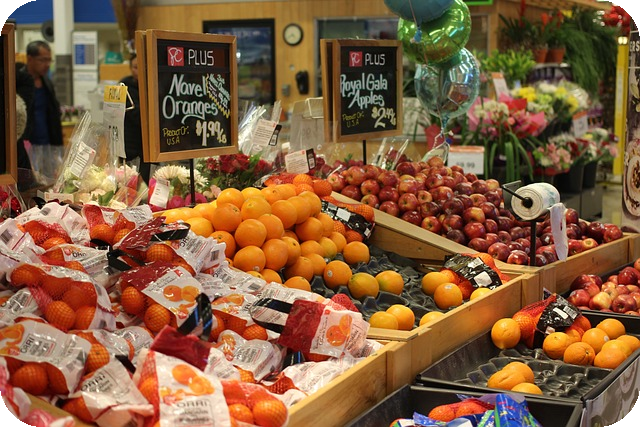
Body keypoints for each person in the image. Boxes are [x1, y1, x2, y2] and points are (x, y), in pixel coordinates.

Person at [22, 40, 63, 184]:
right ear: (30, 59)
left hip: (47, 145)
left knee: (49, 183)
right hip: (27, 145)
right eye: (42, 60)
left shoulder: (47, 83)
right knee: (29, 184)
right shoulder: (19, 82)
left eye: (49, 60)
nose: (47, 64)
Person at [120, 53, 153, 184]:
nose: (138, 71)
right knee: (130, 183)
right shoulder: (124, 86)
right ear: (130, 68)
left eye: (141, 67)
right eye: (135, 67)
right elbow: (136, 115)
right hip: (130, 145)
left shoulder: (153, 85)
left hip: (149, 145)